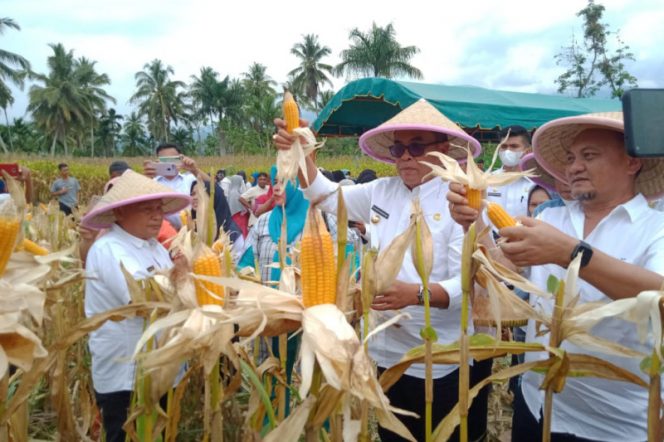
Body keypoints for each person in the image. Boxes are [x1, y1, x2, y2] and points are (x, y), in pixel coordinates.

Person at [274, 98, 488, 442]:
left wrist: (415, 295)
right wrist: (303, 153)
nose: (404, 156)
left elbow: (469, 281)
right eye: (398, 148)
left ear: (444, 150)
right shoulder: (381, 191)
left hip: (439, 356)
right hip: (387, 352)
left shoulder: (462, 199)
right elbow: (324, 196)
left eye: (415, 147)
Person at [447, 112, 664, 442]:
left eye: (589, 156)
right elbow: (501, 271)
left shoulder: (656, 229)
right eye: (571, 158)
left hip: (618, 425)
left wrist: (572, 254)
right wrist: (473, 222)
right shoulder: (551, 219)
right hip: (537, 405)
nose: (574, 167)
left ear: (632, 163)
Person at [81, 170, 191, 442]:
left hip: (160, 368)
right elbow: (143, 299)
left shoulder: (153, 246)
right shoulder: (109, 249)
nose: (157, 216)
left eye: (158, 209)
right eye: (147, 210)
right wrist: (185, 278)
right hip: (127, 375)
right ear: (119, 213)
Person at [142, 143, 207, 230]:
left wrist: (194, 169)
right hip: (163, 233)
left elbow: (213, 188)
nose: (169, 164)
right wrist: (144, 179)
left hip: (191, 231)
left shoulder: (191, 179)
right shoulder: (152, 182)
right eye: (164, 160)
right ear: (158, 161)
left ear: (181, 159)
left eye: (173, 159)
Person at [486, 125, 535, 218]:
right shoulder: (487, 180)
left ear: (528, 149)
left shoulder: (536, 183)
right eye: (503, 146)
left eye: (514, 146)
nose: (507, 151)